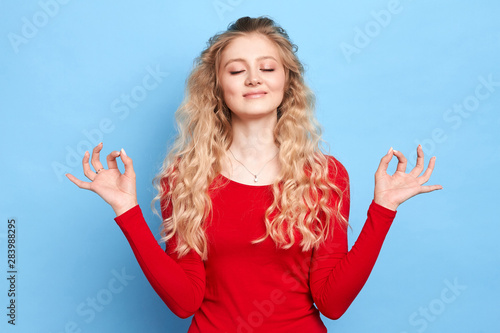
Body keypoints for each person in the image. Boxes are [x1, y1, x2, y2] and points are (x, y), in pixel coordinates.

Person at [66, 16, 442, 333]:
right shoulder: (185, 177)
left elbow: (332, 302)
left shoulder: (325, 176)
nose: (253, 79)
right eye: (236, 70)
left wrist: (383, 209)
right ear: (217, 87)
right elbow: (184, 302)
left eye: (266, 67)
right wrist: (127, 211)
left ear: (287, 82)